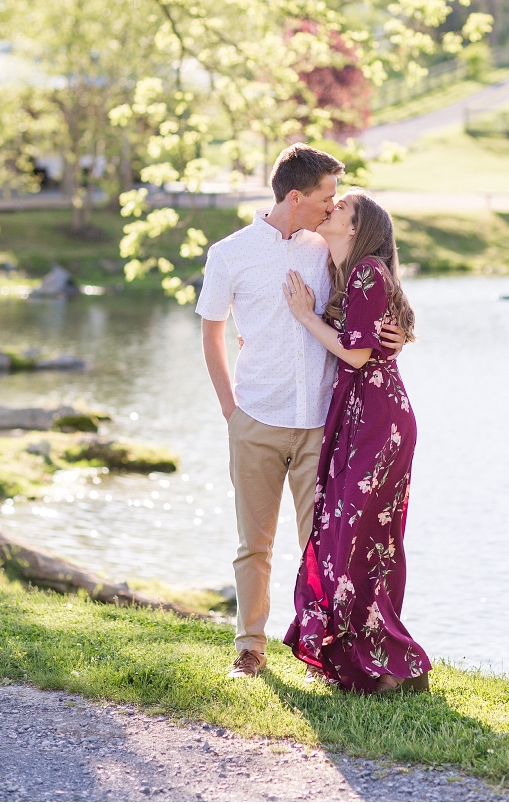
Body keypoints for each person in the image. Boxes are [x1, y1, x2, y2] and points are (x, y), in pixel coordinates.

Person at [197, 144, 405, 680]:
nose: (332, 207)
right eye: (326, 197)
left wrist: (400, 332)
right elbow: (211, 331)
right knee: (254, 544)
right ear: (297, 196)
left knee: (326, 544)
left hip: (322, 423)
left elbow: (378, 295)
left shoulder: (326, 246)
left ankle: (325, 652)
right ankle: (250, 649)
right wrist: (230, 409)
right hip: (256, 419)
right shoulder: (229, 254)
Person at [282, 190, 431, 694]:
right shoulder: (356, 274)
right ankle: (380, 663)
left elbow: (356, 355)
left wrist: (306, 316)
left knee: (356, 541)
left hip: (377, 422)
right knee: (360, 540)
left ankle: (383, 660)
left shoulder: (366, 270)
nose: (332, 209)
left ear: (357, 226)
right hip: (365, 419)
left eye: (341, 206)